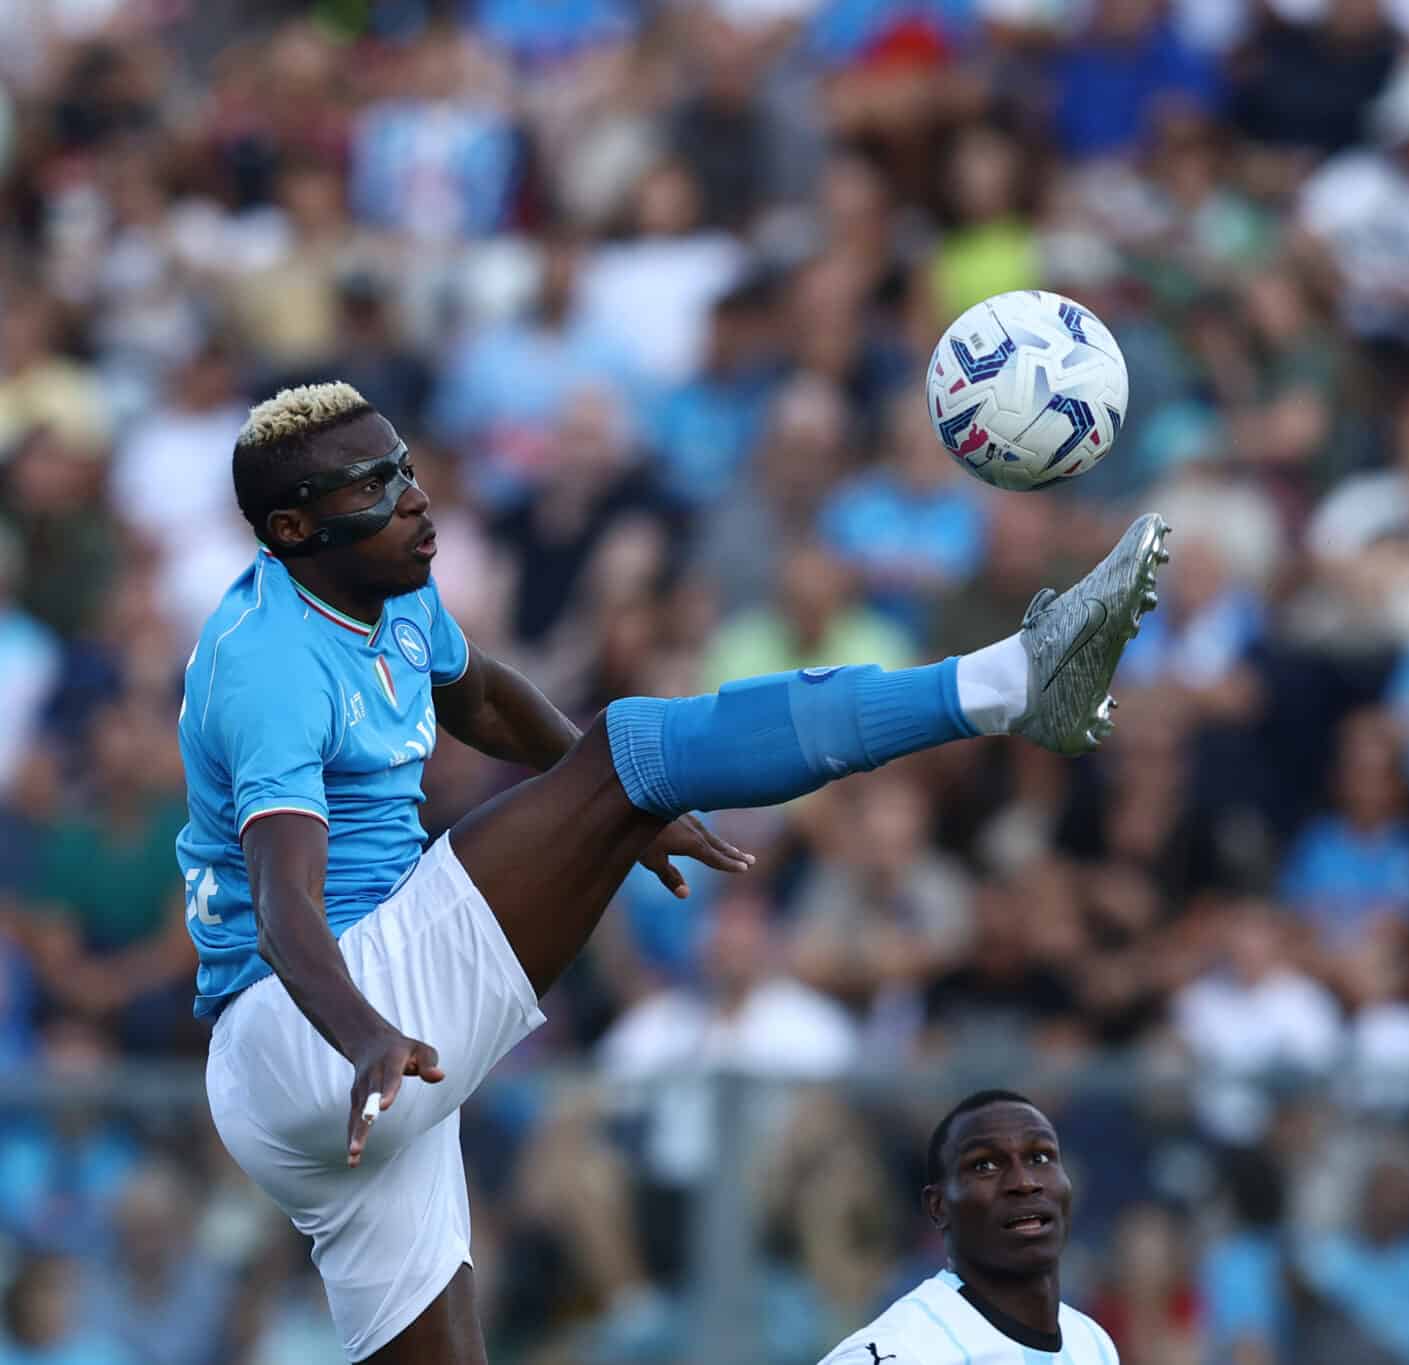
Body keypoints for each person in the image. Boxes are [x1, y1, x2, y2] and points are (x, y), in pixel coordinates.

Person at [183, 383, 1171, 1363]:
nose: (412, 496)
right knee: (629, 747)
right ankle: (1008, 682)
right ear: (292, 528)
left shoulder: (387, 589)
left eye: (403, 466)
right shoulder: (269, 663)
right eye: (371, 484)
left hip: (339, 1069)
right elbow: (281, 902)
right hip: (322, 1022)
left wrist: (615, 818)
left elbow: (479, 698)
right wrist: (364, 1033)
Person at [817, 1090, 1121, 1364]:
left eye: (1039, 1157)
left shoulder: (1091, 1342)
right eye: (985, 1165)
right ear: (938, 1206)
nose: (1025, 1182)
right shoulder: (900, 1350)